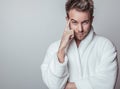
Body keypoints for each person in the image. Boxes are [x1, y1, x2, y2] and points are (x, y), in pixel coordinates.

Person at [41, 0, 118, 89]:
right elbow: (53, 85)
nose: (80, 29)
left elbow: (107, 83)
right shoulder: (54, 48)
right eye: (74, 22)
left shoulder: (106, 46)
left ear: (92, 20)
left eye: (85, 22)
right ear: (67, 20)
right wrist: (61, 50)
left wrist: (68, 86)